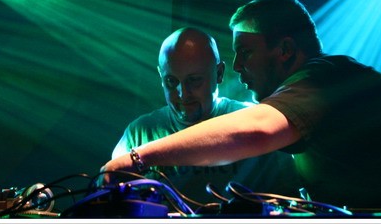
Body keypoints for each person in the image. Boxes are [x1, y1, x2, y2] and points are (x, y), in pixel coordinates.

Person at [101, 0, 381, 209]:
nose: (238, 66)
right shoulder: (332, 77)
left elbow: (255, 130)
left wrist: (139, 157)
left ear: (284, 50)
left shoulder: (322, 79)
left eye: (245, 52)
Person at [110, 27, 301, 204]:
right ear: (160, 76)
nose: (183, 94)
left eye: (194, 80)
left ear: (219, 73)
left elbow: (290, 203)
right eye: (171, 81)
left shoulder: (255, 122)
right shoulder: (138, 134)